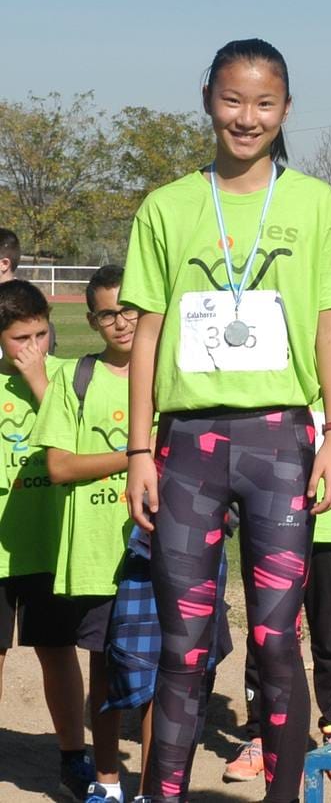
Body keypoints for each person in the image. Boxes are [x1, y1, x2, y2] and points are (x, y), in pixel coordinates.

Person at [121, 38, 331, 803]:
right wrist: (137, 450)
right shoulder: (166, 206)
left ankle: (284, 796)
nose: (247, 117)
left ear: (286, 109)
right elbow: (148, 335)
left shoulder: (316, 203)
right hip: (188, 449)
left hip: (280, 443)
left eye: (264, 103)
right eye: (232, 100)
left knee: (276, 641)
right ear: (207, 100)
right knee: (184, 648)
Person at [225, 342, 331, 785]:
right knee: (267, 632)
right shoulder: (262, 342)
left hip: (329, 522)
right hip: (267, 516)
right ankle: (259, 737)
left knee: (329, 634)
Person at [31, 265, 140, 803]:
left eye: (129, 309)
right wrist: (135, 455)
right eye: (107, 313)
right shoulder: (75, 378)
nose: (120, 322)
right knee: (105, 675)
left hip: (163, 550)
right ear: (92, 320)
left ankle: (161, 784)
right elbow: (59, 467)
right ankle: (109, 782)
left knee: (167, 675)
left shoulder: (174, 375)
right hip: (98, 553)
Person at [0, 279, 95, 797]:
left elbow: (80, 447)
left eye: (41, 334)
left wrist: (39, 381)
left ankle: (71, 756)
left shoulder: (65, 377)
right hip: (0, 550)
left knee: (57, 652)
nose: (34, 347)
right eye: (20, 339)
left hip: (52, 548)